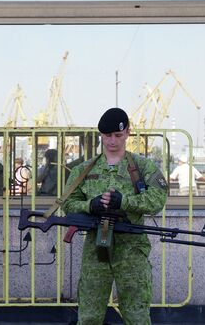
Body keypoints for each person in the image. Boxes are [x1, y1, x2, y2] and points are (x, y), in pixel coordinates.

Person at [62, 107, 168, 325]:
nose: (112, 141)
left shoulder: (142, 167)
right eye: (107, 135)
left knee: (136, 315)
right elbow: (68, 204)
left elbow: (158, 200)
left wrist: (126, 202)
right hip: (95, 249)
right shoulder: (83, 169)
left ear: (128, 132)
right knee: (89, 314)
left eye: (118, 135)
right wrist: (90, 205)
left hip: (132, 249)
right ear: (101, 135)